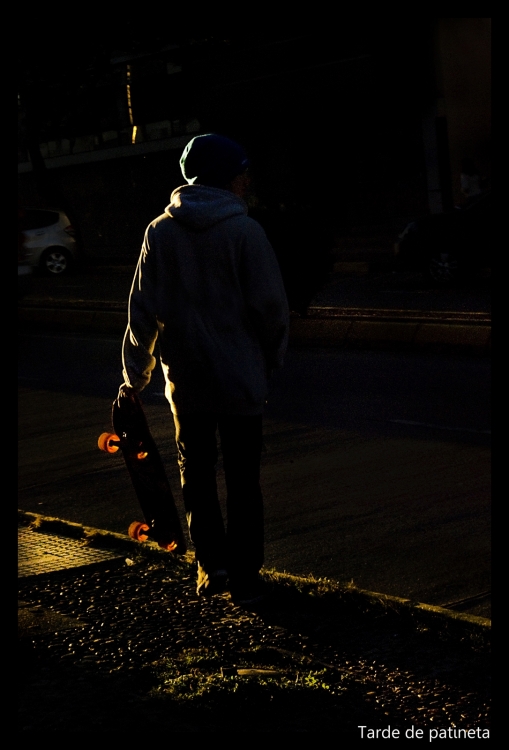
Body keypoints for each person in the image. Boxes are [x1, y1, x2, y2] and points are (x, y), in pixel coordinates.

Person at [121, 134, 289, 605]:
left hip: (187, 382)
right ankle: (245, 573)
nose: (247, 180)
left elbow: (141, 309)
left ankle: (209, 566)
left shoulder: (160, 231)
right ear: (229, 177)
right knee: (242, 478)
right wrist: (270, 361)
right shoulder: (245, 233)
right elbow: (271, 309)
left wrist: (135, 377)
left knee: (194, 473)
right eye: (242, 172)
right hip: (240, 381)